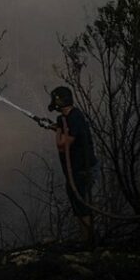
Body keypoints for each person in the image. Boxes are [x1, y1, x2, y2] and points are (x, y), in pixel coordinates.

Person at [49, 86, 99, 248]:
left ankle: (87, 241)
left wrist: (58, 130)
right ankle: (86, 239)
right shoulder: (69, 118)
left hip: (82, 169)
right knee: (77, 201)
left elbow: (62, 145)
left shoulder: (74, 118)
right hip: (78, 169)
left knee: (81, 204)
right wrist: (58, 126)